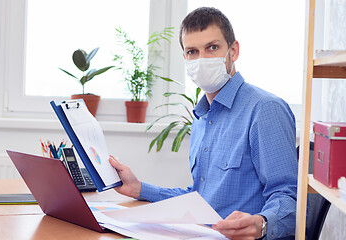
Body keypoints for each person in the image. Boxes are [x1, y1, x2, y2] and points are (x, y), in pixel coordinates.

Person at [109, 7, 298, 240]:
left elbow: (291, 198)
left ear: (233, 50)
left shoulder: (264, 109)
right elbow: (200, 198)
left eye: (212, 48)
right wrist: (139, 189)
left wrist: (262, 224)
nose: (202, 60)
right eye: (192, 51)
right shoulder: (201, 118)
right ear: (185, 58)